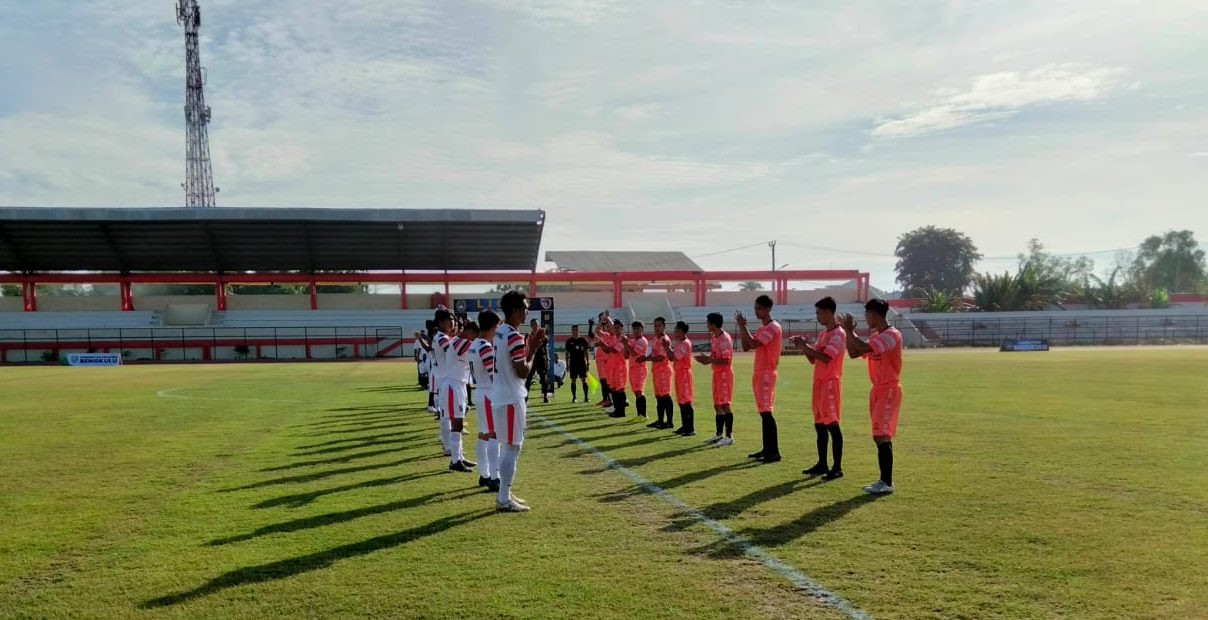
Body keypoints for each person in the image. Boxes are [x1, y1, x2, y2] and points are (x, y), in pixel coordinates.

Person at [491, 290, 547, 513]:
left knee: (509, 446)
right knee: (513, 447)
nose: (527, 311)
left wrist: (529, 346)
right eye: (524, 308)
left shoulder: (500, 333)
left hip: (501, 395)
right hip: (511, 397)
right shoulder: (513, 335)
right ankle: (503, 497)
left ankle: (505, 493)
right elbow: (522, 371)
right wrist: (533, 347)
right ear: (515, 311)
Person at [843, 299, 903, 496]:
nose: (865, 318)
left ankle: (886, 482)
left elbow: (863, 347)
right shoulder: (877, 336)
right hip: (877, 389)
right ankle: (884, 480)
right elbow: (853, 352)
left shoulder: (891, 335)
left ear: (875, 314)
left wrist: (850, 331)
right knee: (878, 435)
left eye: (867, 314)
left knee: (881, 434)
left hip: (889, 389)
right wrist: (847, 333)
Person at [790, 296, 846, 481]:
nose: (817, 316)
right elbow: (814, 358)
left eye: (819, 313)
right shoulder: (824, 335)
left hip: (830, 382)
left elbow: (826, 357)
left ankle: (837, 467)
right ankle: (822, 463)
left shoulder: (838, 334)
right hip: (819, 382)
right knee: (820, 425)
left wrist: (805, 346)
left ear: (830, 312)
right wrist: (803, 347)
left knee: (832, 424)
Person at [736, 295, 783, 463]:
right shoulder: (763, 328)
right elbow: (746, 345)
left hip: (767, 373)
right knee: (763, 412)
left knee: (766, 412)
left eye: (760, 308)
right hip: (760, 372)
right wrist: (743, 328)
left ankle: (774, 452)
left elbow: (754, 344)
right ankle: (767, 449)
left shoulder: (772, 327)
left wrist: (743, 327)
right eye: (756, 308)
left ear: (768, 309)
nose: (757, 311)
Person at [437, 311, 477, 473]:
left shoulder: (459, 342)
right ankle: (455, 460)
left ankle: (458, 457)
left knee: (458, 424)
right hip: (453, 385)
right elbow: (477, 348)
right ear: (470, 332)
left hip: (458, 385)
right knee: (457, 423)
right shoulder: (460, 343)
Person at [470, 311, 502, 492]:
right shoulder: (485, 347)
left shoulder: (475, 344)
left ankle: (484, 474)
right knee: (494, 435)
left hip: (480, 392)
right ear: (492, 326)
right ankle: (494, 477)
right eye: (497, 327)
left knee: (484, 434)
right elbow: (494, 374)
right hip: (489, 393)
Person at [694, 312, 733, 444]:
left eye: (708, 323)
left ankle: (729, 436)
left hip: (724, 375)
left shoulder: (725, 339)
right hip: (716, 374)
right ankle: (719, 434)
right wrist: (707, 359)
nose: (706, 325)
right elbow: (715, 357)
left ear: (713, 324)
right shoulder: (715, 337)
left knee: (725, 404)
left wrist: (709, 360)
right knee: (717, 405)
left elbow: (726, 360)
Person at [594, 315, 628, 418]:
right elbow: (607, 351)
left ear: (622, 329)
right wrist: (602, 345)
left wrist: (602, 343)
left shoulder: (622, 339)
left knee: (619, 390)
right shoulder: (613, 338)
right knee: (613, 389)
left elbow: (613, 350)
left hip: (619, 368)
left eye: (618, 328)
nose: (616, 329)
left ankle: (621, 411)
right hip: (611, 367)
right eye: (615, 327)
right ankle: (617, 410)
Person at [668, 320, 695, 435]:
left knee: (686, 401)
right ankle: (685, 426)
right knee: (681, 401)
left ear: (682, 331)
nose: (675, 332)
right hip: (679, 374)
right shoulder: (680, 342)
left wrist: (666, 347)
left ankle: (690, 428)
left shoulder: (685, 343)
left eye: (677, 330)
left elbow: (675, 357)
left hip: (684, 375)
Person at [648, 317, 675, 429]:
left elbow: (661, 357)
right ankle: (660, 420)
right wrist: (646, 357)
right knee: (659, 396)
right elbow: (653, 354)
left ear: (664, 326)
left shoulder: (665, 339)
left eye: (659, 325)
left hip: (663, 370)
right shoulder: (655, 338)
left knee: (665, 396)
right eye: (655, 325)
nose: (657, 328)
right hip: (656, 370)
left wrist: (646, 359)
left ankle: (669, 422)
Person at [623, 321, 651, 418]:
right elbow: (626, 355)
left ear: (642, 330)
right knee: (636, 392)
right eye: (634, 329)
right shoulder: (633, 340)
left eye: (638, 329)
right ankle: (640, 414)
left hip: (640, 368)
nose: (635, 331)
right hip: (632, 368)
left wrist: (626, 344)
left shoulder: (642, 341)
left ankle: (643, 415)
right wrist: (625, 345)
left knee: (639, 391)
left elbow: (634, 354)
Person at [525, 318, 552, 404]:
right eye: (533, 324)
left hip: (541, 358)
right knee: (528, 378)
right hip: (533, 359)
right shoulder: (529, 336)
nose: (535, 326)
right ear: (531, 326)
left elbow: (546, 347)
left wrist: (548, 359)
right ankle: (526, 397)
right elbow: (527, 349)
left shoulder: (543, 335)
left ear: (539, 325)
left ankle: (545, 396)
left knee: (544, 378)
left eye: (536, 324)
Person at [565, 325, 591, 403]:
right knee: (573, 380)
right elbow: (567, 354)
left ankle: (586, 397)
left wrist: (588, 362)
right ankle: (574, 397)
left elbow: (586, 352)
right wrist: (567, 364)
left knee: (584, 380)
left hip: (582, 363)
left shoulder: (583, 340)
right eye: (574, 330)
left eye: (576, 330)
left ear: (579, 331)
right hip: (573, 363)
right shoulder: (569, 341)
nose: (575, 332)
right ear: (571, 331)